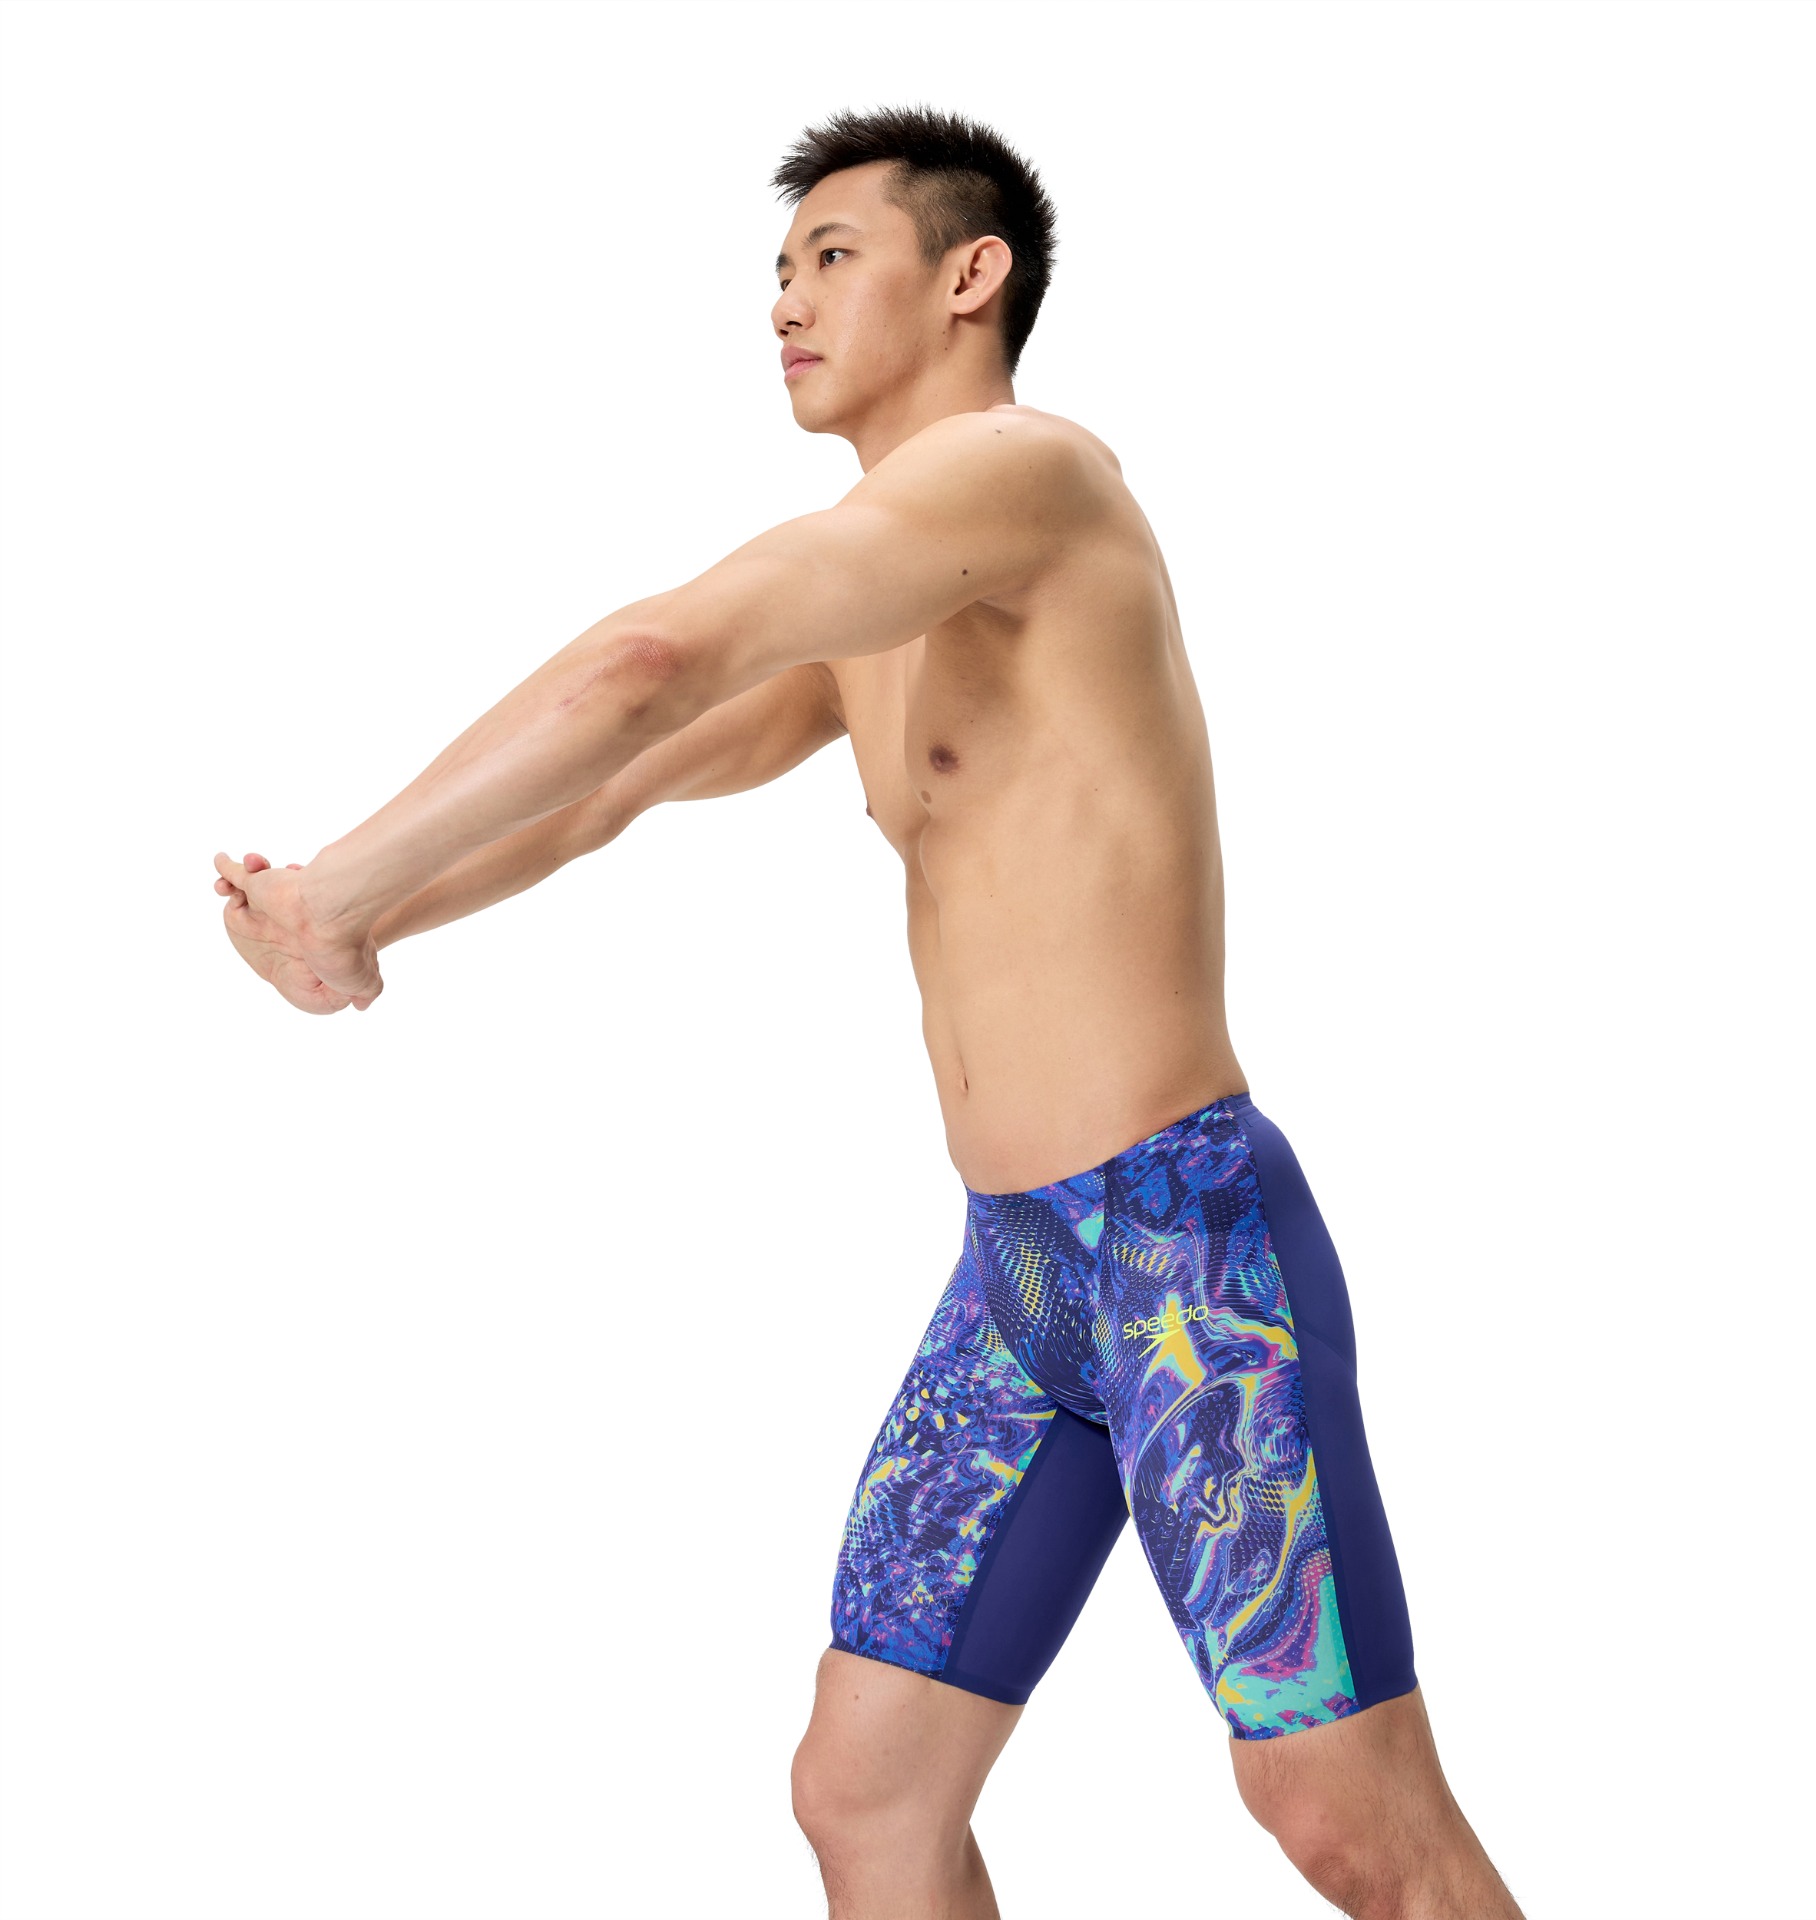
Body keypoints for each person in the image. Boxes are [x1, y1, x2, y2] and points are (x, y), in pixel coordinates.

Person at [212, 105, 1525, 1920]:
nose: (785, 302)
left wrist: (345, 885)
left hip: (1183, 1251)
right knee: (867, 1794)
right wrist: (359, 929)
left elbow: (648, 658)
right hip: (1020, 1278)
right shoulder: (885, 594)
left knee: (1341, 1817)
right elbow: (623, 777)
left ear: (972, 276)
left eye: (831, 257)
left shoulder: (1033, 478)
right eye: (776, 270)